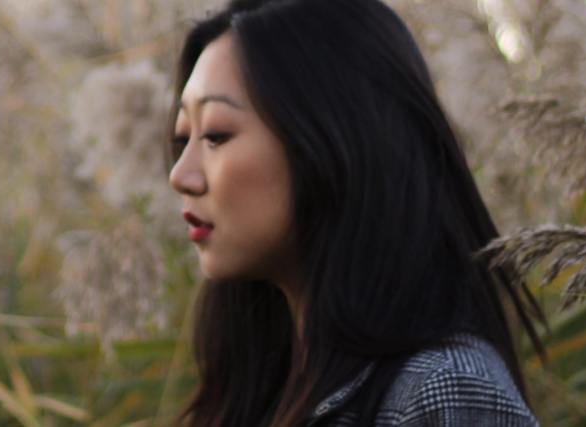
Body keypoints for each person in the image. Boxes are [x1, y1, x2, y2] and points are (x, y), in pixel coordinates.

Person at [165, 0, 544, 425]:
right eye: (183, 138)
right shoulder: (266, 386)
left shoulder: (444, 392)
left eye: (216, 134)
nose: (181, 176)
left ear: (333, 141)